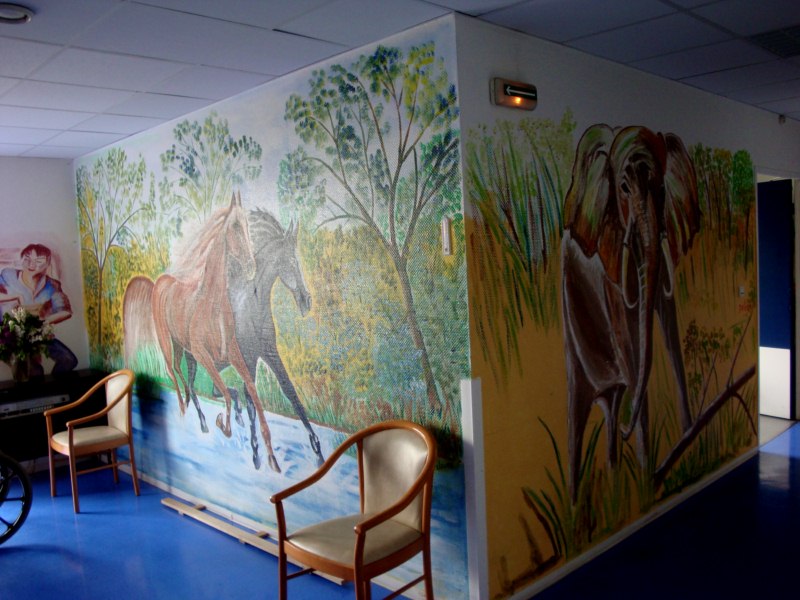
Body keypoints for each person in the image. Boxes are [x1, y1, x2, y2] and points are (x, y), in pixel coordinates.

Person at [0, 243, 78, 374]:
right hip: (9, 335)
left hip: (37, 333)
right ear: (21, 259)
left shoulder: (52, 285)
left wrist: (43, 323)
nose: (31, 264)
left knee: (69, 360)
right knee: (34, 371)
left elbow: (65, 311)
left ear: (47, 264)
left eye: (38, 261)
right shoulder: (8, 275)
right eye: (27, 258)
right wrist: (16, 296)